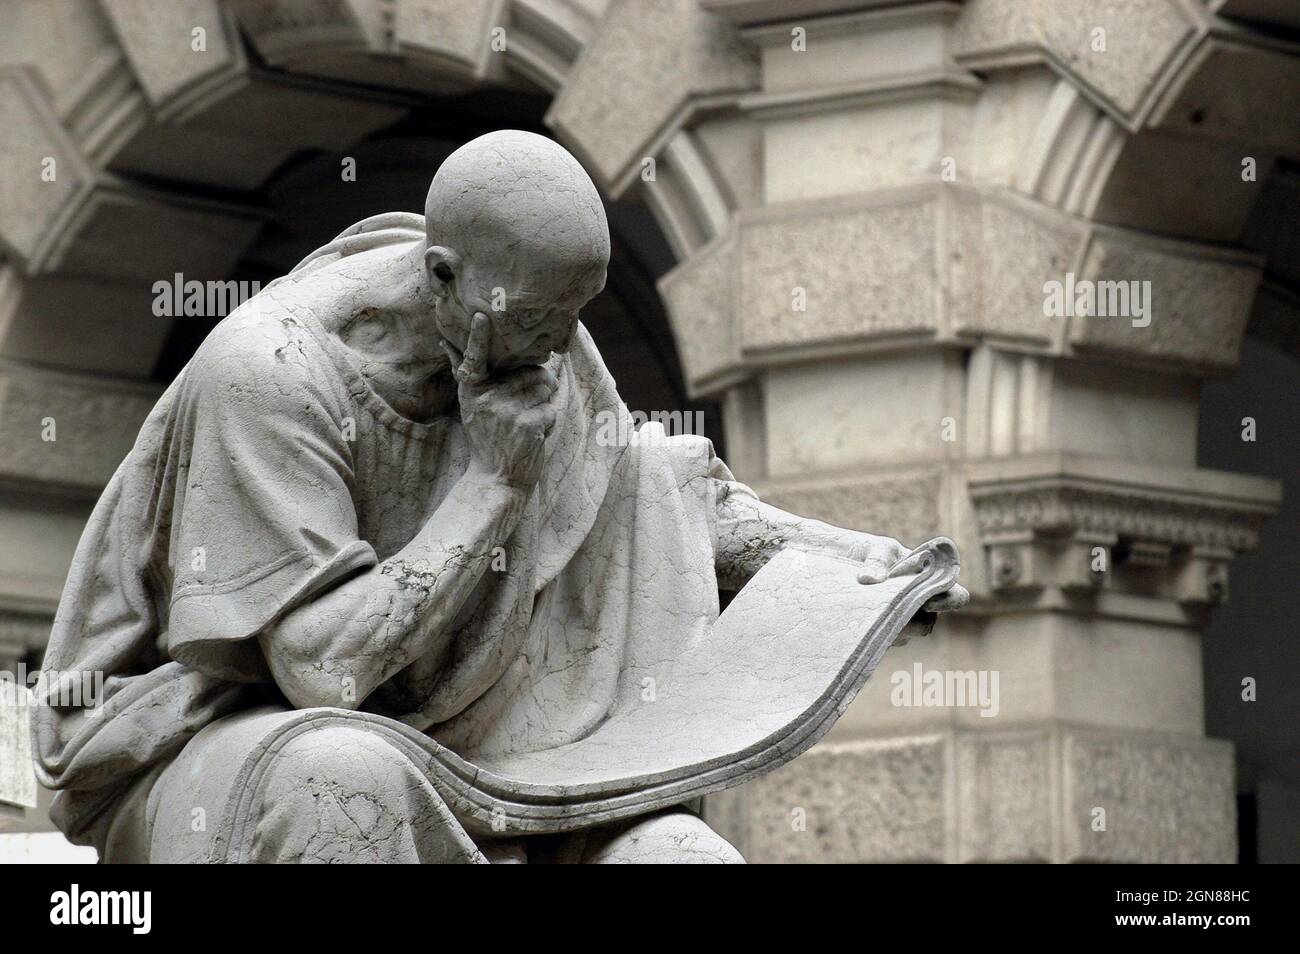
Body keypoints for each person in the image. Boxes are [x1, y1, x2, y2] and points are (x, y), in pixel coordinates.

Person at [34, 131, 965, 863]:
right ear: (441, 276)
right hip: (200, 739)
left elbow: (639, 486)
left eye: (576, 316)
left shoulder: (529, 336)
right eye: (536, 322)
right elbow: (321, 671)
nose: (559, 351)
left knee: (680, 853)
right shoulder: (272, 375)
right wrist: (492, 482)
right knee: (344, 782)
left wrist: (844, 567)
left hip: (475, 752)